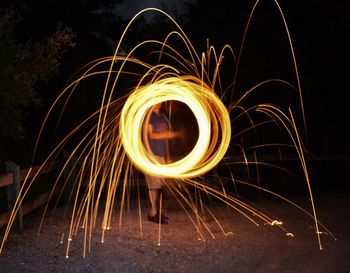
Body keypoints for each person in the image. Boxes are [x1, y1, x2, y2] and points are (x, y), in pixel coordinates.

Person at [144, 102, 182, 224]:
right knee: (153, 184)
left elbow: (166, 140)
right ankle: (153, 212)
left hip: (161, 155)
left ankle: (154, 211)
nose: (157, 103)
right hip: (152, 155)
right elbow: (150, 135)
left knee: (158, 185)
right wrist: (167, 134)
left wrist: (167, 156)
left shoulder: (163, 117)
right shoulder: (149, 117)